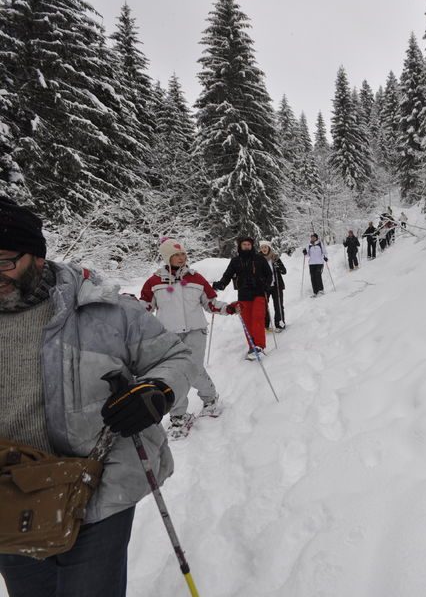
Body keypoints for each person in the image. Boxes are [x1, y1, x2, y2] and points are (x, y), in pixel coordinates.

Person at [0, 197, 194, 597]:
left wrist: (156, 391)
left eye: (5, 260)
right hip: (10, 498)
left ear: (37, 256)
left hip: (97, 492)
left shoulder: (103, 310)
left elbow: (175, 356)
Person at [140, 238, 236, 436]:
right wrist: (131, 305)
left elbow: (211, 304)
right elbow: (146, 307)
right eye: (176, 255)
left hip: (195, 330)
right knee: (174, 376)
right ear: (167, 257)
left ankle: (210, 398)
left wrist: (230, 308)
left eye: (183, 254)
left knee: (194, 369)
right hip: (169, 334)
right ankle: (178, 416)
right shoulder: (154, 282)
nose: (181, 258)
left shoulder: (196, 278)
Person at [212, 237, 272, 359]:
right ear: (240, 246)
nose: (246, 246)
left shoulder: (259, 259)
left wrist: (266, 286)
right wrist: (221, 284)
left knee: (258, 318)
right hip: (244, 294)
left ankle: (259, 346)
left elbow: (269, 274)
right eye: (244, 244)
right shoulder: (235, 261)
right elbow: (227, 275)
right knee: (247, 321)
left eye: (248, 244)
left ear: (252, 246)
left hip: (259, 292)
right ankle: (252, 346)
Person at [258, 240, 287, 332]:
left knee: (278, 305)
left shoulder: (275, 258)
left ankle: (279, 324)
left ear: (269, 248)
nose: (264, 249)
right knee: (264, 307)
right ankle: (265, 325)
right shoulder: (258, 260)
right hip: (265, 287)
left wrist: (279, 267)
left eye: (265, 247)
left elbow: (284, 271)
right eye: (262, 247)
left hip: (276, 285)